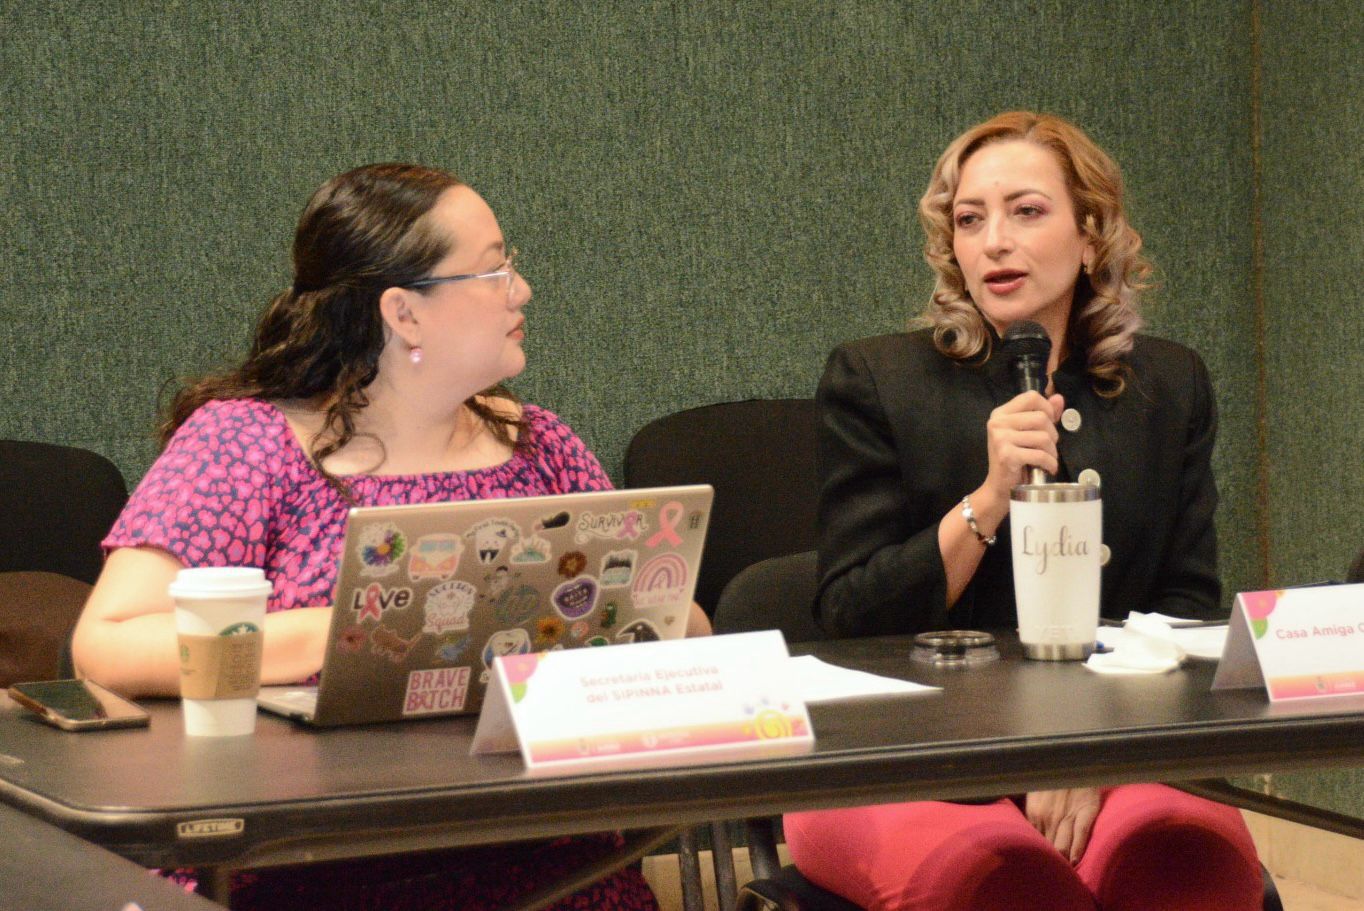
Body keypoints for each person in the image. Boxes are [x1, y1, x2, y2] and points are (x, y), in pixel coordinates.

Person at [72, 162, 707, 910]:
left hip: (549, 857)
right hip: (311, 863)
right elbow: (107, 645)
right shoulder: (247, 444)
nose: (522, 290)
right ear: (404, 313)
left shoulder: (542, 446)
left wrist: (657, 625)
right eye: (494, 270)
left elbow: (675, 622)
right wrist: (340, 637)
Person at [783, 113, 1262, 911]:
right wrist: (989, 497)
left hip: (1116, 745)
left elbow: (1184, 615)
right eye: (970, 220)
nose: (995, 242)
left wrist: (1089, 750)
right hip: (916, 760)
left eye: (1027, 211)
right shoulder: (877, 380)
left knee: (1185, 863)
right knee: (1001, 882)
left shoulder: (1169, 385)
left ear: (1091, 235)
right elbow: (852, 617)